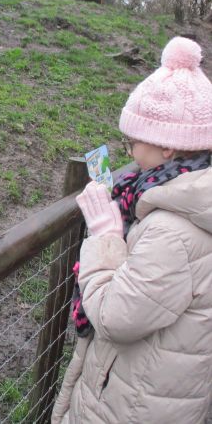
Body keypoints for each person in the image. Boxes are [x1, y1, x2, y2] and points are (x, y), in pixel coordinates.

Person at [51, 36, 212, 423]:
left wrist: (106, 237)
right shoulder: (185, 196)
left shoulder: (172, 231)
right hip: (160, 390)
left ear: (167, 147)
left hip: (131, 405)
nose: (128, 153)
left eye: (132, 142)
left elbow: (115, 317)